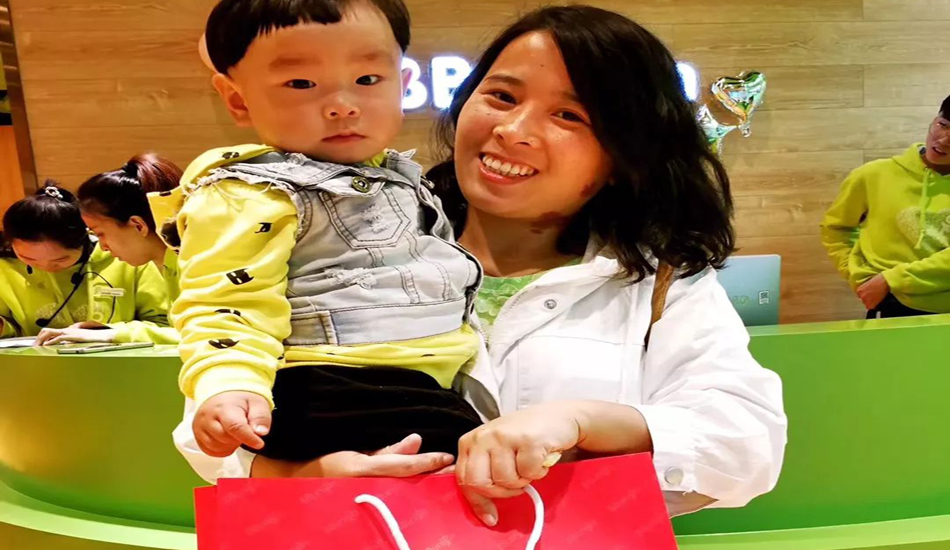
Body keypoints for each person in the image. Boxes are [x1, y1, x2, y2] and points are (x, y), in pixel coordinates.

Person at [175, 5, 787, 520]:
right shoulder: (332, 229)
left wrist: (579, 421)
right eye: (502, 96)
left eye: (569, 116)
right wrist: (298, 475)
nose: (513, 131)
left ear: (624, 155)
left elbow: (747, 446)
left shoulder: (657, 280)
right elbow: (213, 420)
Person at [169, 0, 484, 469]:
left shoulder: (397, 176)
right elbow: (225, 300)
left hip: (415, 384)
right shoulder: (250, 194)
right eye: (301, 83)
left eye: (368, 79)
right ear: (237, 99)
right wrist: (230, 382)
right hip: (336, 387)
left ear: (403, 84)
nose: (343, 106)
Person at [32, 154, 184, 345]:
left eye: (100, 233)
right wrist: (109, 330)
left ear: (138, 225)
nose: (102, 246)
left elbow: (209, 336)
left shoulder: (195, 263)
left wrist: (114, 335)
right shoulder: (170, 263)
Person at [822, 95, 950, 318]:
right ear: (933, 120)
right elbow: (835, 228)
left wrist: (891, 279)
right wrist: (858, 275)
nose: (944, 140)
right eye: (943, 125)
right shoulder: (873, 175)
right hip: (890, 302)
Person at [0, 184, 172, 342]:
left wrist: (106, 332)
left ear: (84, 240)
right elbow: (12, 331)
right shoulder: (5, 266)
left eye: (60, 260)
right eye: (28, 259)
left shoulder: (126, 257)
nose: (46, 267)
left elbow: (165, 325)